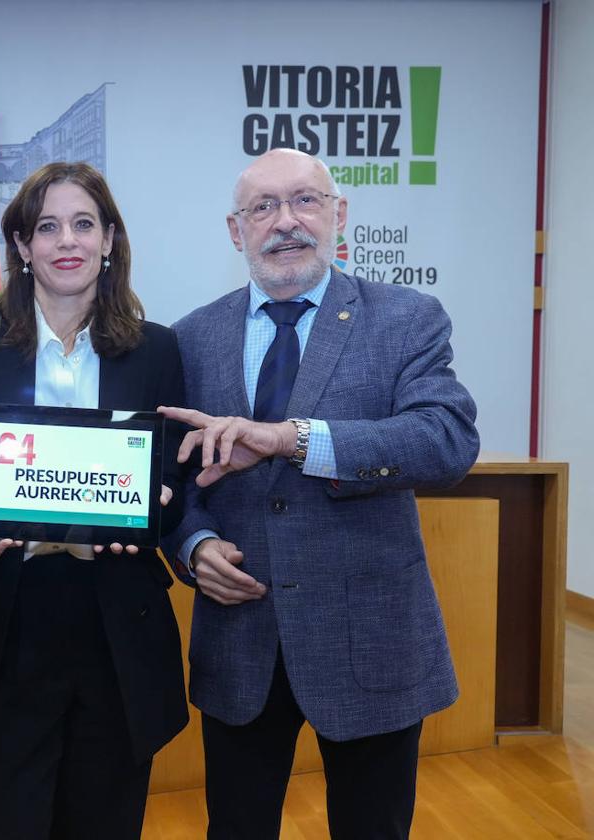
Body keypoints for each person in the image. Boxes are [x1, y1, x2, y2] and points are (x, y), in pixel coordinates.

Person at [159, 147, 479, 839]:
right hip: (241, 642)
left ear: (339, 215)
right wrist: (193, 542)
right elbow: (168, 481)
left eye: (305, 200)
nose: (286, 222)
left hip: (372, 642)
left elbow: (445, 442)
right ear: (234, 229)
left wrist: (291, 439)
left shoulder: (406, 320)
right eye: (262, 207)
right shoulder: (187, 340)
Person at [0, 161, 189, 839]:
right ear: (22, 246)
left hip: (116, 625)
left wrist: (157, 507)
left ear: (109, 240)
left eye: (83, 224)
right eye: (47, 227)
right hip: (7, 620)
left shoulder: (157, 351)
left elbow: (175, 491)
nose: (66, 241)